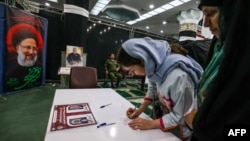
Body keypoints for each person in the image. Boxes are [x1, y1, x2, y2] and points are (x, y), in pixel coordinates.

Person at [116, 37, 203, 141]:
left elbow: (180, 116)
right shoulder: (154, 65)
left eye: (132, 71)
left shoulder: (179, 76)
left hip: (182, 131)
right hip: (168, 119)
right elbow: (152, 87)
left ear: (142, 60)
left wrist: (150, 124)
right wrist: (140, 110)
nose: (134, 75)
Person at [191, 0, 250, 140]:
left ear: (234, 14)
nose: (205, 24)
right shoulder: (219, 46)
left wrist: (210, 130)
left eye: (210, 13)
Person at [5, 27, 42, 92]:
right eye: (27, 47)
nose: (31, 52)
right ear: (17, 48)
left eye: (34, 48)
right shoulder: (6, 65)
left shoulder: (40, 66)